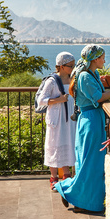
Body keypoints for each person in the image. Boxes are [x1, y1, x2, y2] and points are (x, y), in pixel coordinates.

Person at [56, 44, 110, 214]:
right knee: (90, 164)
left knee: (92, 164)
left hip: (93, 120)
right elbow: (97, 97)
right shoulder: (85, 77)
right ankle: (68, 191)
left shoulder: (93, 73)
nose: (104, 60)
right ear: (95, 59)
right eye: (102, 57)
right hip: (91, 121)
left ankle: (85, 201)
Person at [37, 51, 77, 191]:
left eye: (73, 65)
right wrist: (59, 100)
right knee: (54, 146)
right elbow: (41, 100)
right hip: (56, 119)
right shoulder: (52, 81)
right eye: (70, 66)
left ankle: (66, 175)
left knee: (68, 144)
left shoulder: (73, 79)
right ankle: (54, 178)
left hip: (70, 119)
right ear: (60, 66)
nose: (72, 68)